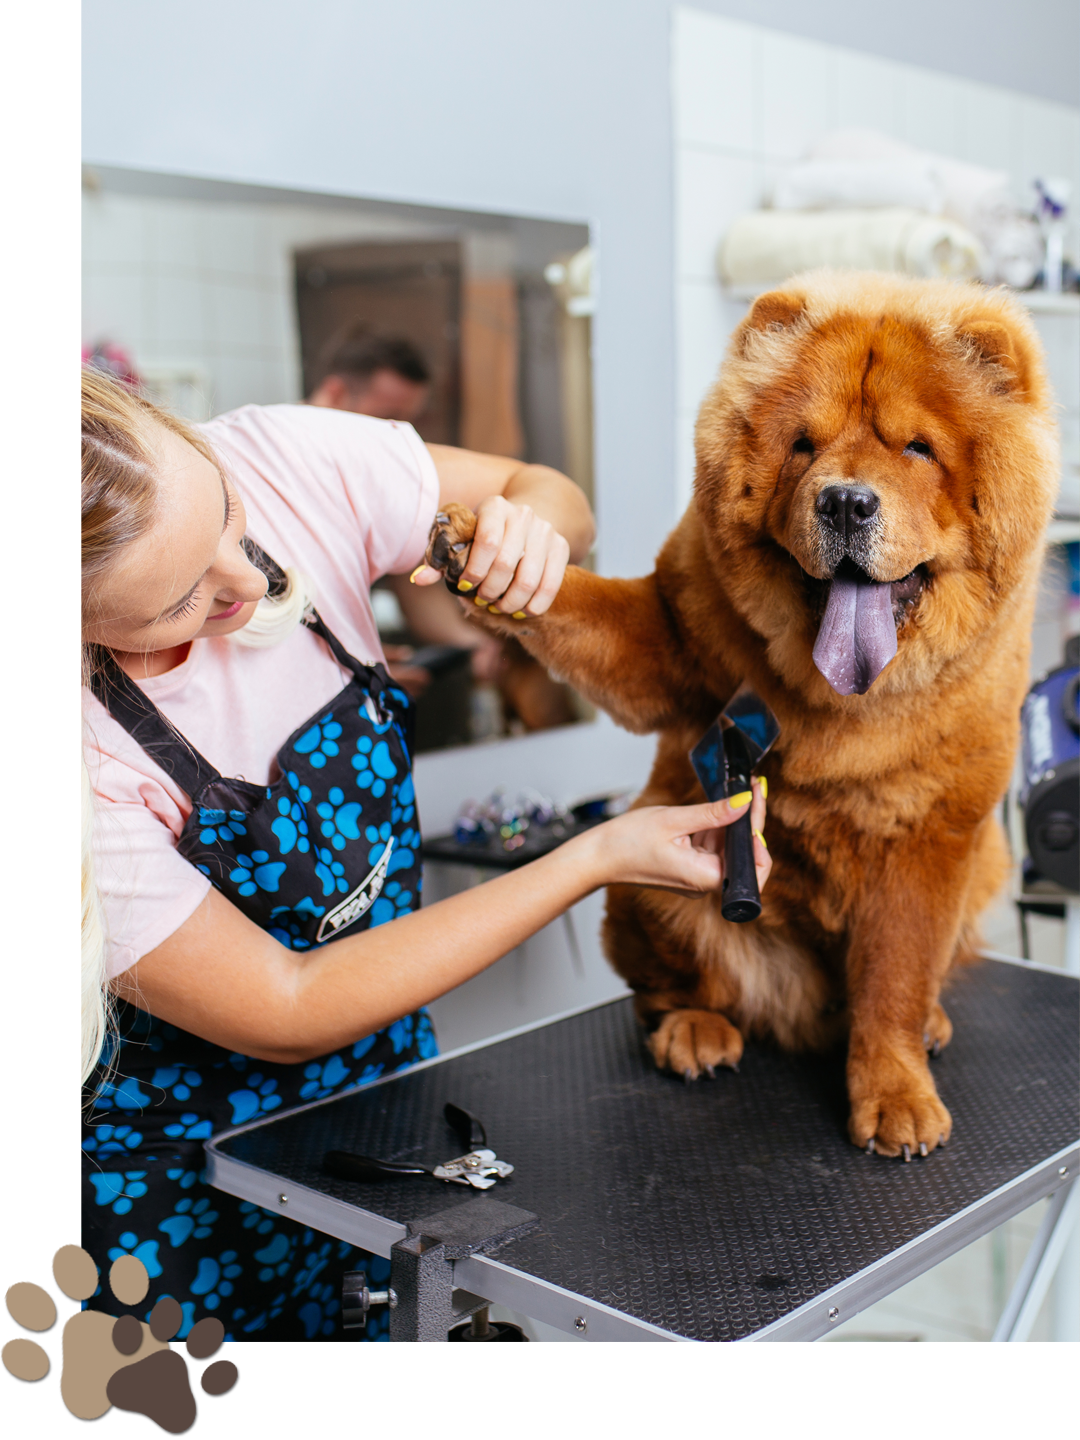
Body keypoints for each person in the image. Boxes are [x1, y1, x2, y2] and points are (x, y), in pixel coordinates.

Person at [81, 367, 769, 1342]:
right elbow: (286, 1003)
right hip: (156, 1182)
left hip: (386, 1096)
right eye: (184, 600)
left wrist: (533, 534)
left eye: (232, 521)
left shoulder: (282, 455)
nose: (251, 578)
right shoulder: (65, 756)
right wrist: (593, 856)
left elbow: (552, 493)